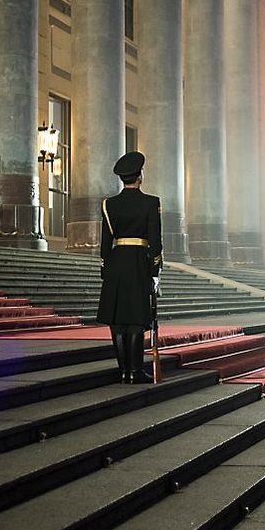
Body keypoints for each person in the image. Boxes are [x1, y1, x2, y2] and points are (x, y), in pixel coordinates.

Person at [96, 151, 163, 384]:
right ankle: (135, 371)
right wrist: (155, 272)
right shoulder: (150, 202)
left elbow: (105, 243)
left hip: (116, 263)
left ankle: (123, 371)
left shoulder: (109, 204)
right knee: (135, 318)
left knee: (117, 320)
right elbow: (155, 242)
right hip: (138, 263)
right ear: (140, 176)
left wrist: (105, 269)